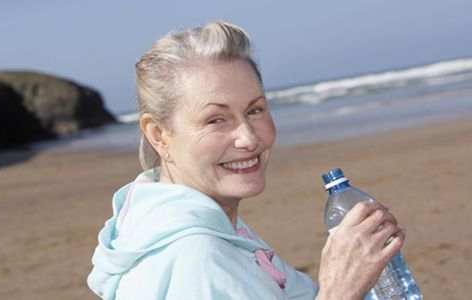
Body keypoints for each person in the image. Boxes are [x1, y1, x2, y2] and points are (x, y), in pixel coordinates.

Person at [87, 21, 405, 300]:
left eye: (254, 110)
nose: (249, 138)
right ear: (158, 135)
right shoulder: (195, 258)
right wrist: (340, 290)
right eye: (215, 120)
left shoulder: (186, 219)